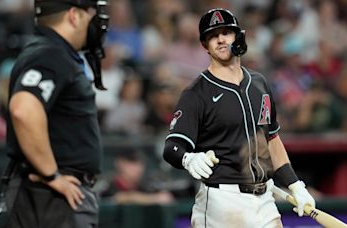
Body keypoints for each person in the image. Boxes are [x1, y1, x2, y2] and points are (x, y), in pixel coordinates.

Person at [163, 8, 315, 228]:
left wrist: (295, 185)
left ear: (238, 36)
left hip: (264, 198)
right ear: (205, 45)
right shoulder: (196, 92)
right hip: (221, 201)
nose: (221, 39)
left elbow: (271, 138)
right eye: (213, 36)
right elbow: (172, 147)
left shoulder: (260, 83)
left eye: (226, 32)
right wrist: (189, 158)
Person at [2, 0, 109, 227]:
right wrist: (52, 175)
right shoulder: (51, 54)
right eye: (90, 16)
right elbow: (24, 109)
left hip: (46, 196)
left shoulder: (49, 52)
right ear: (73, 16)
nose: (95, 25)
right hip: (51, 199)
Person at [101, 148, 174, 205]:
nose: (137, 168)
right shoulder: (108, 187)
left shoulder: (145, 187)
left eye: (139, 163)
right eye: (131, 162)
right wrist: (153, 199)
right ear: (119, 164)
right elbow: (119, 198)